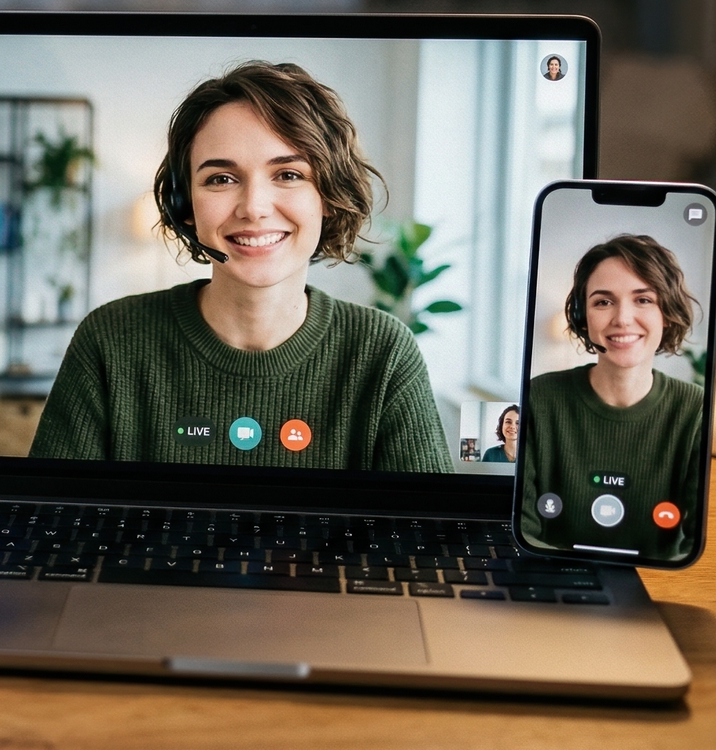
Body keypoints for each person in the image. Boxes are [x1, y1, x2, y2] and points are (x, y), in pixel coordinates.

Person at [28, 62, 455, 473]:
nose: (254, 208)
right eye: (221, 179)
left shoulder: (384, 353)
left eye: (288, 174)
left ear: (326, 196)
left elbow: (430, 539)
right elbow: (49, 526)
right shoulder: (110, 340)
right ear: (185, 204)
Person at [518, 234, 705, 562]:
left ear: (667, 312)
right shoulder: (540, 398)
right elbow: (524, 532)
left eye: (643, 300)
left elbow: (695, 546)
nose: (622, 318)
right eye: (603, 302)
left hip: (655, 592)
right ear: (582, 316)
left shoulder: (695, 410)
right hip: (554, 588)